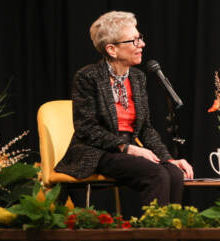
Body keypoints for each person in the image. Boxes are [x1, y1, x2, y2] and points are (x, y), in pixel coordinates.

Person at [55, 11, 194, 206]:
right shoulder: (88, 77)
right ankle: (153, 233)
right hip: (96, 152)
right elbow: (86, 128)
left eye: (140, 38)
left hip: (129, 150)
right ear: (112, 49)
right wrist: (127, 148)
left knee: (174, 174)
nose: (142, 45)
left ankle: (170, 233)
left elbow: (145, 128)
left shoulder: (137, 78)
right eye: (134, 41)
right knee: (156, 174)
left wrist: (168, 159)